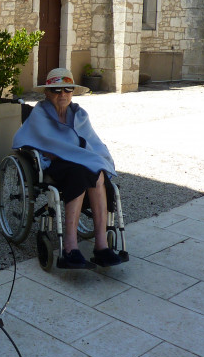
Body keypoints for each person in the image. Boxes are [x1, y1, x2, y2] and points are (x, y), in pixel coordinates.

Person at [12, 67, 122, 269]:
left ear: (72, 92)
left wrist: (92, 156)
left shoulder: (79, 114)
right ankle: (70, 246)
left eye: (67, 89)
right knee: (80, 174)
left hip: (81, 159)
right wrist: (68, 150)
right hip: (55, 163)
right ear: (47, 92)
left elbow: (93, 142)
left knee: (97, 172)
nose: (62, 94)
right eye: (56, 90)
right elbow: (36, 141)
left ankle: (101, 245)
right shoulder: (40, 113)